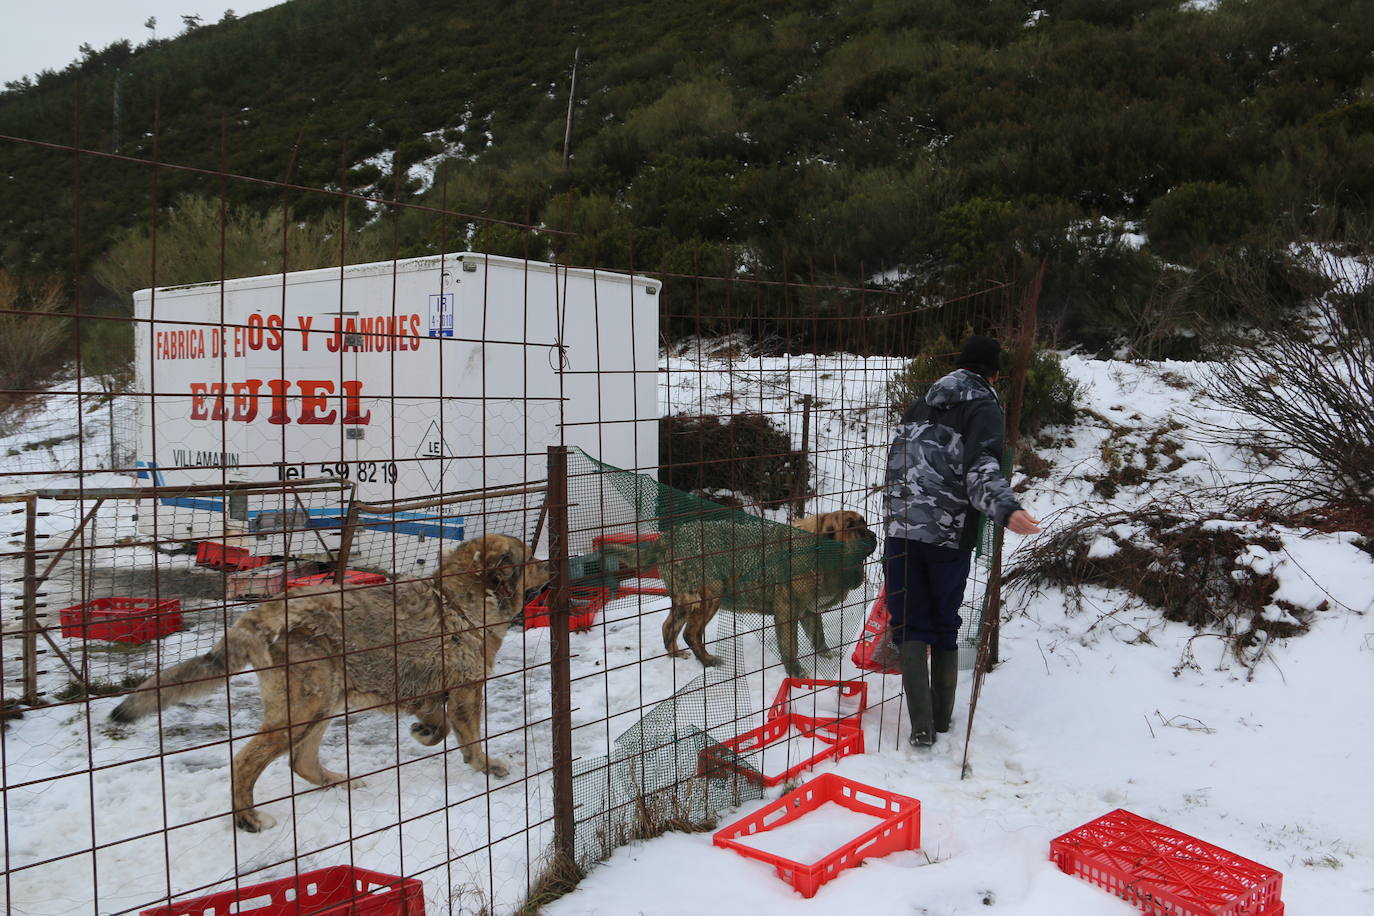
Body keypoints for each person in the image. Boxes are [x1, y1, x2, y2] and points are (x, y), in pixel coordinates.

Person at [882, 334, 1041, 747]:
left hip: (900, 529)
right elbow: (981, 467)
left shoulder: (920, 403)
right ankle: (941, 719)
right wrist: (1006, 509)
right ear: (995, 374)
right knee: (944, 620)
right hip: (946, 532)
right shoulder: (984, 407)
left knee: (909, 621)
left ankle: (921, 727)